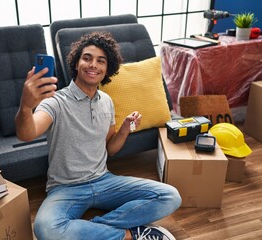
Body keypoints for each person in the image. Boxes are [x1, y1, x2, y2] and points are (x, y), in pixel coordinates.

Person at [15, 31, 181, 240]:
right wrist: (25, 106)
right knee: (45, 229)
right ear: (76, 63)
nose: (93, 64)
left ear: (106, 70)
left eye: (100, 61)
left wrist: (124, 130)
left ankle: (93, 231)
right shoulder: (55, 102)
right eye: (87, 58)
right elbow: (26, 133)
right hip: (65, 188)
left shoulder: (107, 102)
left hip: (104, 181)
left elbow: (109, 149)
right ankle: (131, 234)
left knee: (170, 196)